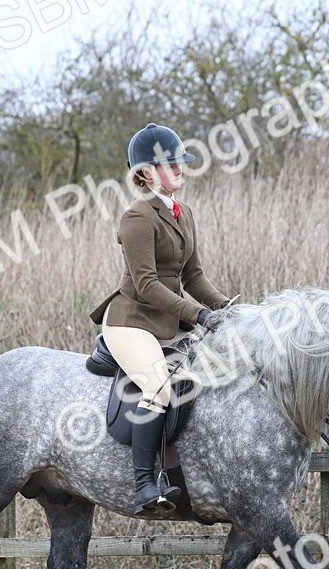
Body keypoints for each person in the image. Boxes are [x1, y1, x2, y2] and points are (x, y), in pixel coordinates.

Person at [89, 123, 232, 515]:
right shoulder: (137, 218)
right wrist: (198, 314)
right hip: (131, 322)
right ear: (146, 172)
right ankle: (144, 486)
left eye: (180, 162)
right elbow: (148, 285)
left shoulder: (183, 212)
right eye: (170, 164)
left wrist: (225, 309)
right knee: (158, 387)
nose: (179, 169)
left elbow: (194, 277)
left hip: (167, 325)